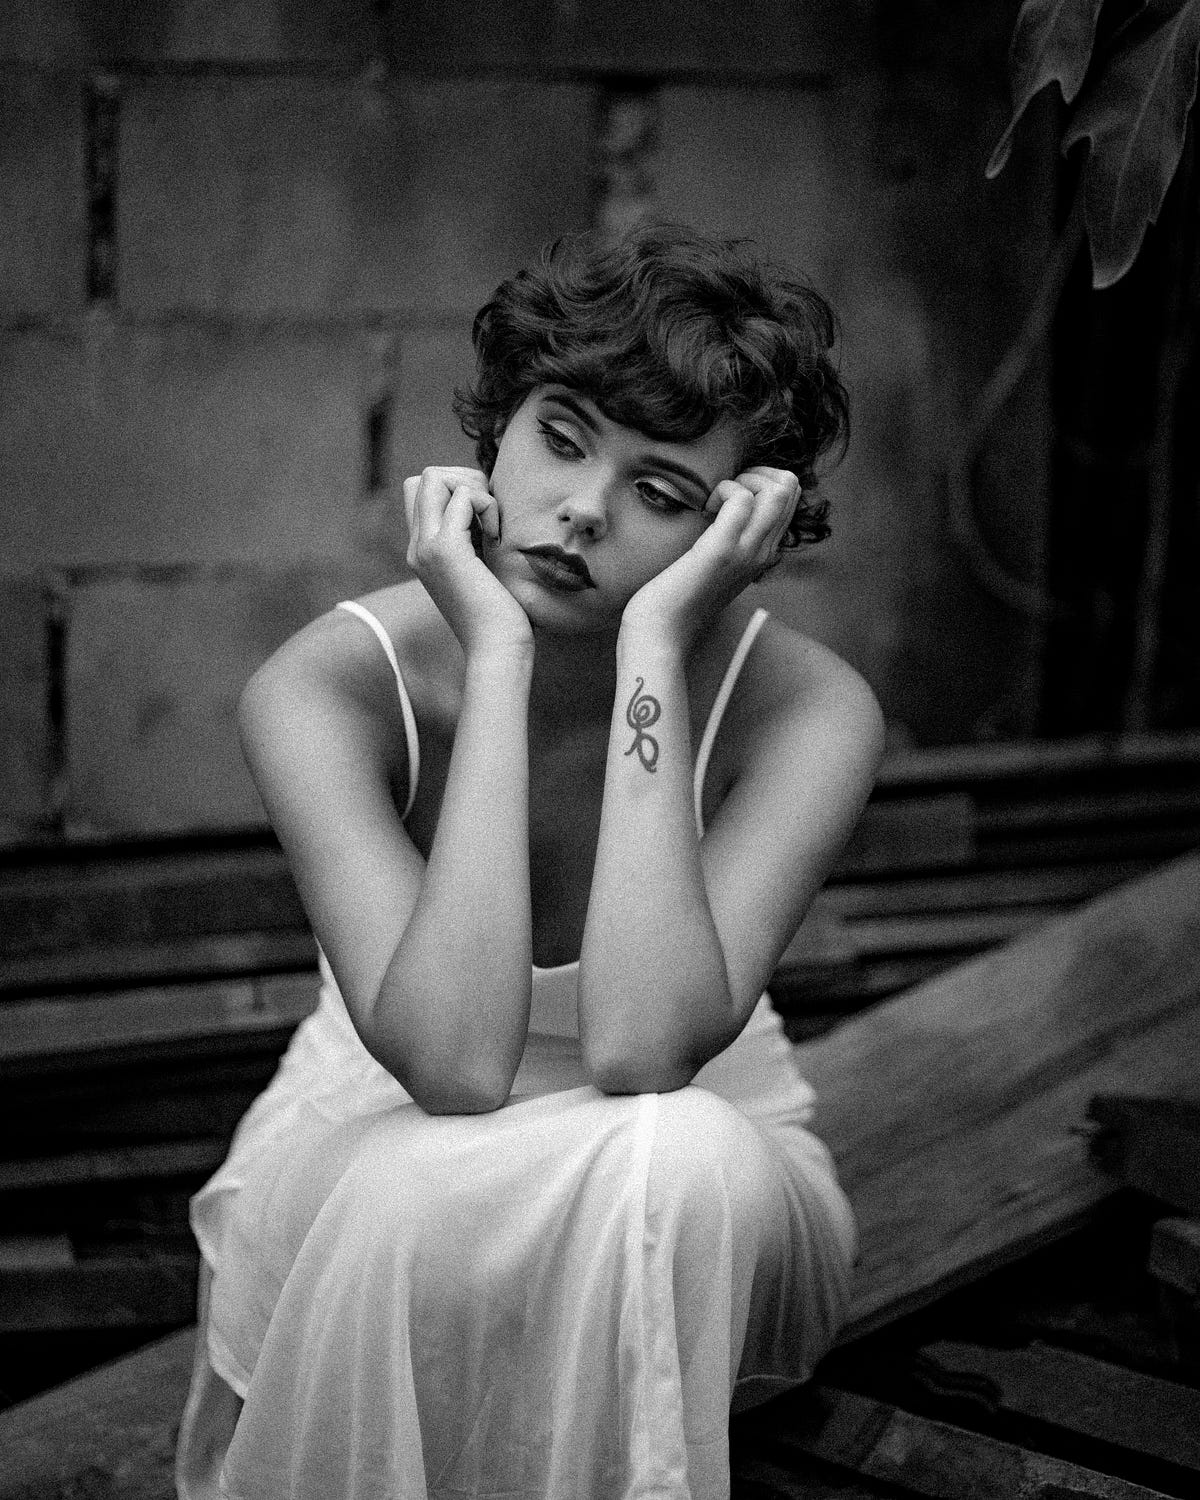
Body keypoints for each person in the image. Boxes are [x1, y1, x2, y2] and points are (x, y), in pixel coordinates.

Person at [176, 223, 883, 1500]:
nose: (582, 514)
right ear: (495, 427)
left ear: (742, 526)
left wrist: (657, 647)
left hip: (696, 1183)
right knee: (400, 1197)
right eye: (561, 437)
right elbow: (451, 1066)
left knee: (679, 1155)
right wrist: (495, 658)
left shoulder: (809, 712)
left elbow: (640, 1049)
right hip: (381, 1140)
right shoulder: (326, 686)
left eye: (662, 494)